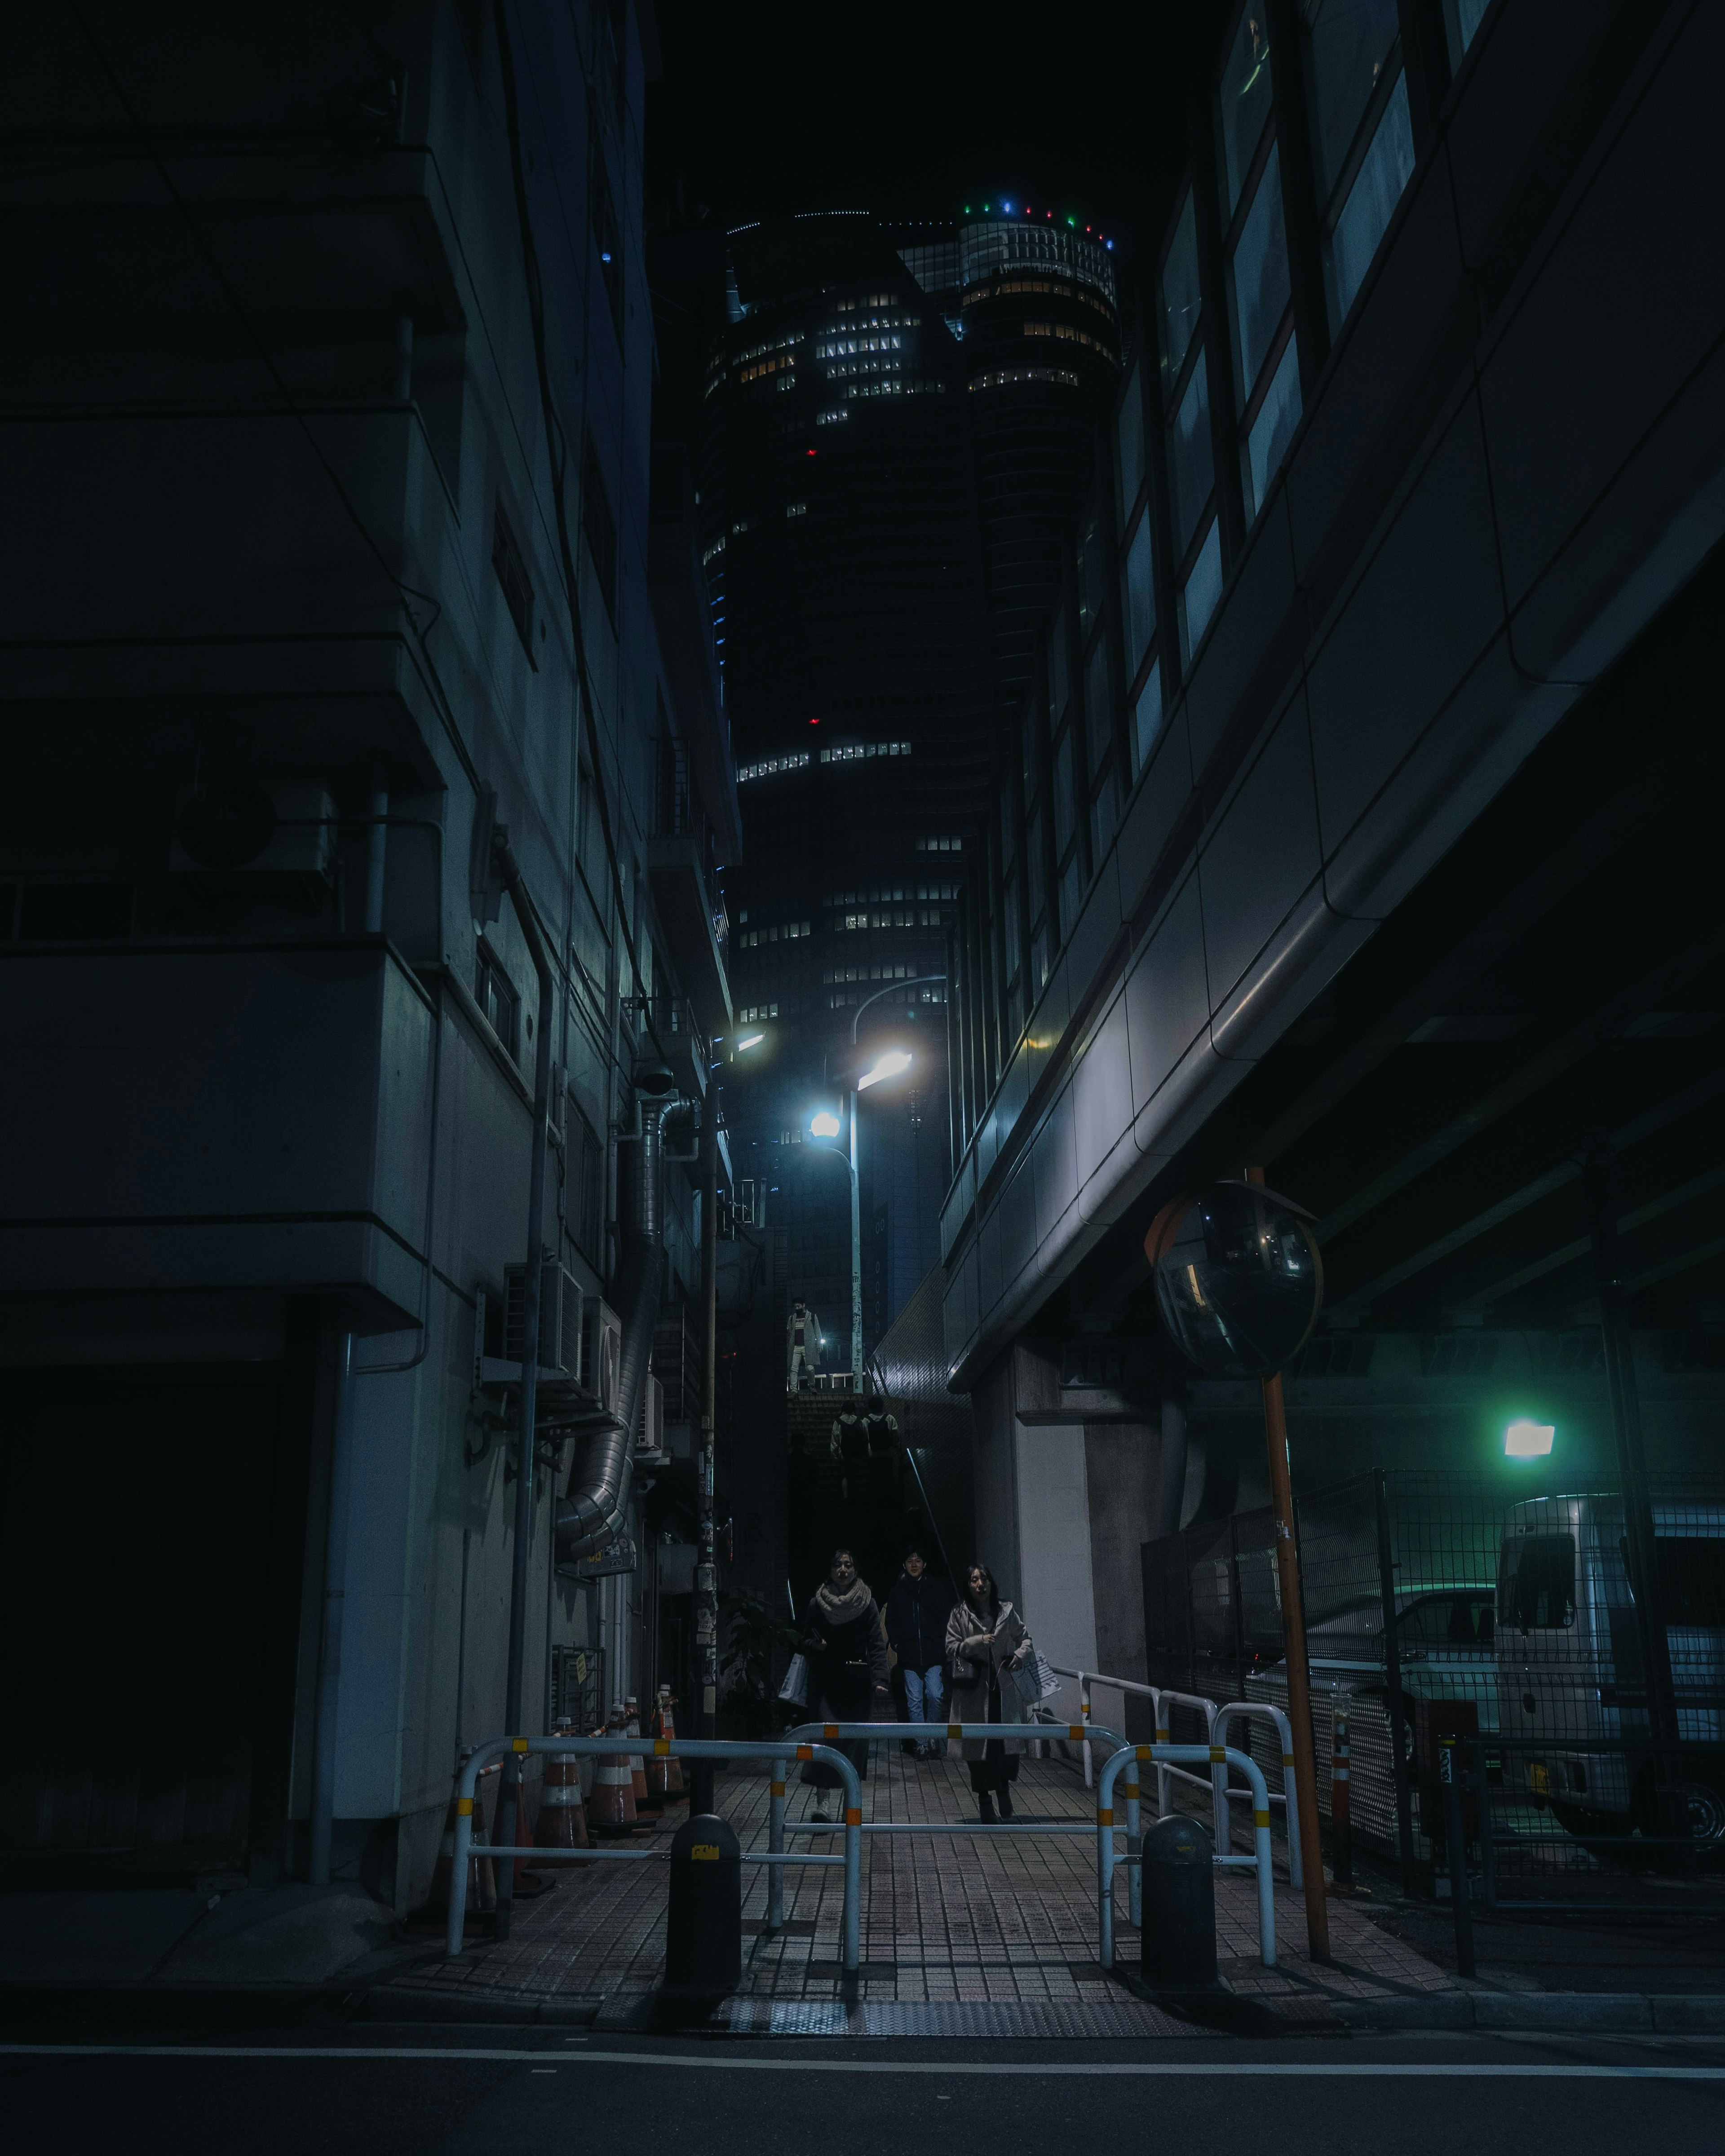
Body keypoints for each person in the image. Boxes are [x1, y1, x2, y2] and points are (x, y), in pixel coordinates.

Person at [797, 1546, 890, 1802]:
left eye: (848, 1565)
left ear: (855, 1570)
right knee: (825, 1740)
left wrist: (881, 1679)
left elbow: (876, 1643)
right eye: (838, 1565)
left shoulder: (867, 1603)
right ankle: (823, 1800)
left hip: (857, 1684)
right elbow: (804, 1640)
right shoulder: (818, 1604)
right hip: (825, 1685)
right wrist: (815, 1646)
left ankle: (852, 1805)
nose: (843, 1570)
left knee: (853, 1743)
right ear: (830, 1571)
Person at [944, 1562, 1035, 1822]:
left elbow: (1025, 1638)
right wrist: (976, 1642)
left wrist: (1019, 1654)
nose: (980, 1585)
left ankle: (1004, 1790)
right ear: (968, 1586)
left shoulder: (1007, 1611)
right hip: (974, 1692)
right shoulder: (959, 1613)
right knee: (978, 1751)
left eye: (984, 1579)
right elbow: (951, 1647)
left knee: (1006, 1748)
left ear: (991, 1582)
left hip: (1002, 1689)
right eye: (974, 1580)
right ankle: (985, 1800)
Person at [882, 1547, 954, 1759]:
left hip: (934, 1654)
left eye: (918, 1560)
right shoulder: (897, 1592)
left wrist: (943, 1643)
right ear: (904, 1565)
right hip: (910, 1656)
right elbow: (891, 1621)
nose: (914, 1564)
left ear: (925, 1564)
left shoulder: (936, 1589)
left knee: (935, 1695)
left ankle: (931, 1736)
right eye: (910, 1560)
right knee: (914, 1699)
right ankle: (922, 1744)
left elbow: (946, 1619)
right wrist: (898, 1644)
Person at [787, 1298, 823, 1390]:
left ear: (804, 1305)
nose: (797, 1308)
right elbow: (789, 1333)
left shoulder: (812, 1316)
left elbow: (818, 1331)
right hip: (795, 1347)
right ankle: (794, 1390)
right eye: (795, 1307)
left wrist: (820, 1345)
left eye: (799, 1306)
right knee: (794, 1370)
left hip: (808, 1347)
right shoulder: (792, 1318)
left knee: (810, 1368)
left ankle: (812, 1385)